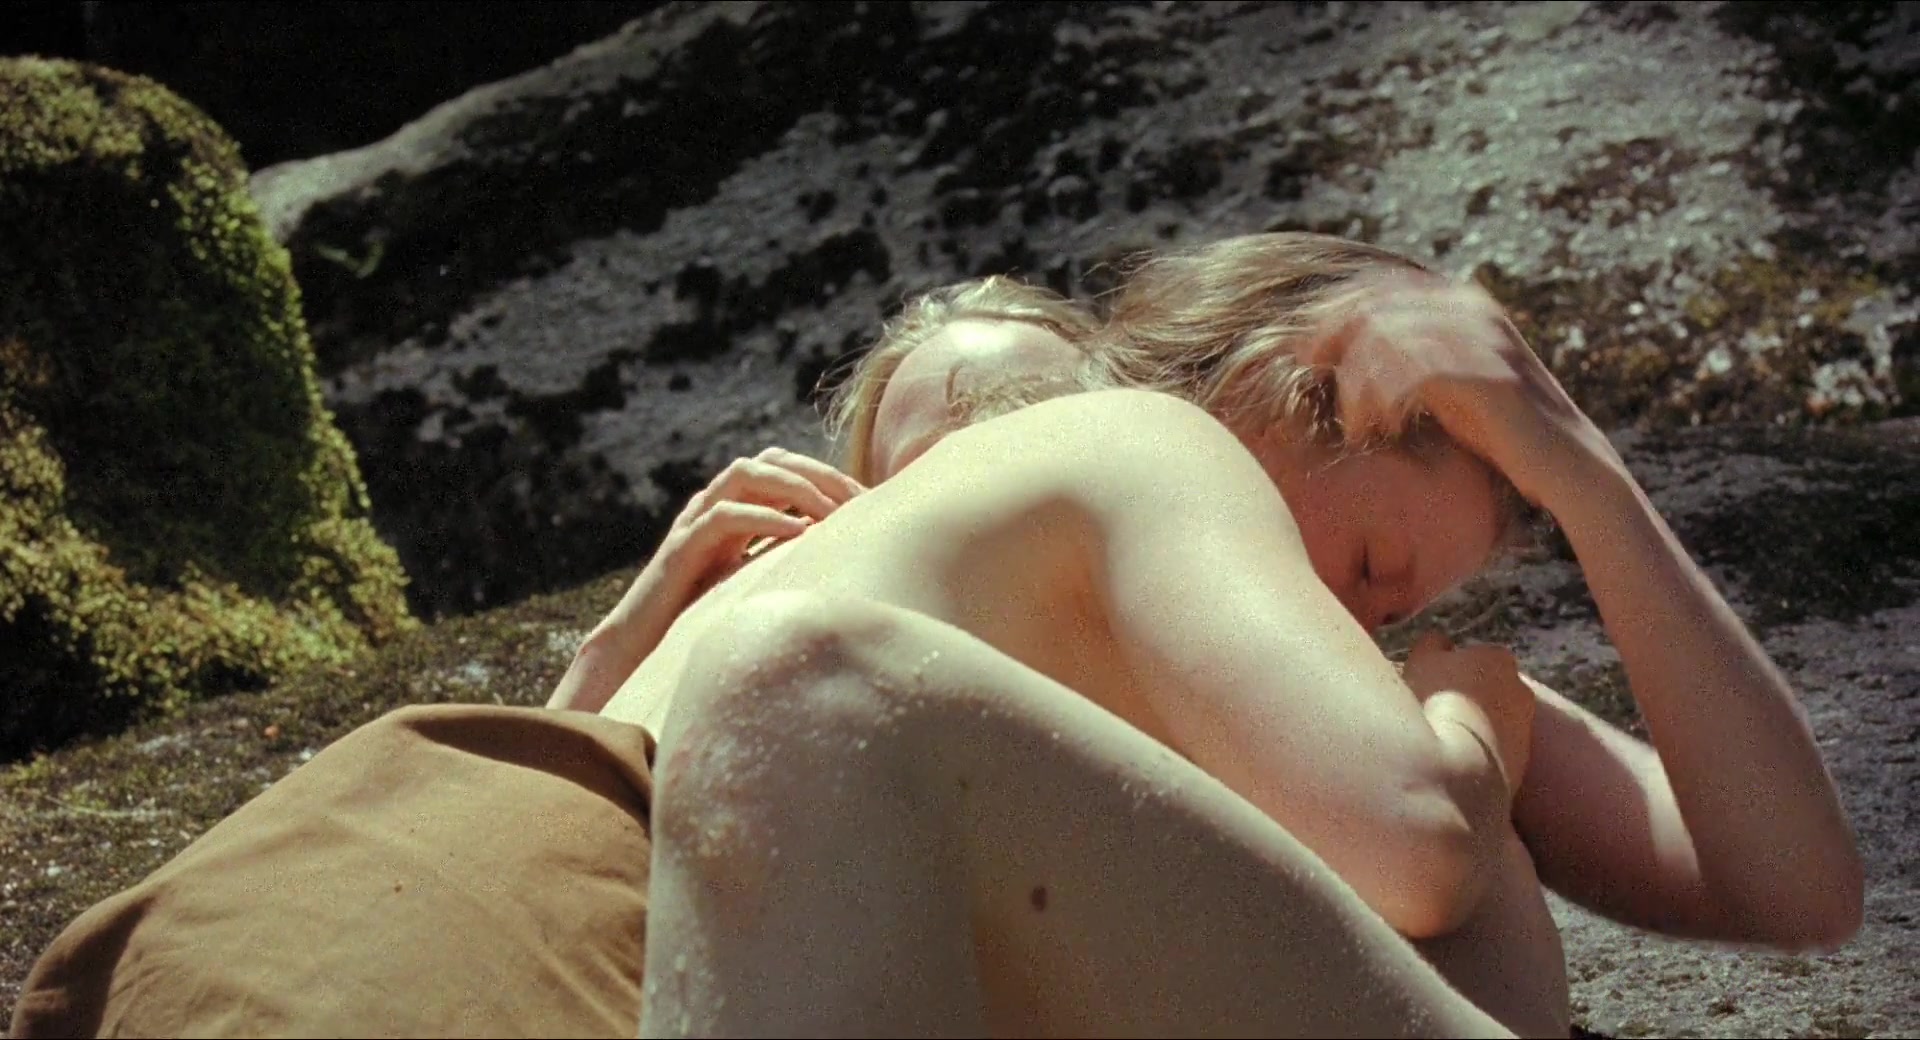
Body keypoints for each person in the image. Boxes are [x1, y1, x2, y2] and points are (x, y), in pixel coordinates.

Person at [591, 234, 1860, 1037]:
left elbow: (1795, 883)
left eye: (1392, 609)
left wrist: (1589, 483)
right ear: (1273, 386)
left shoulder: (1387, 705)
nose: (1359, 626)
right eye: (1370, 571)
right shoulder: (1105, 482)